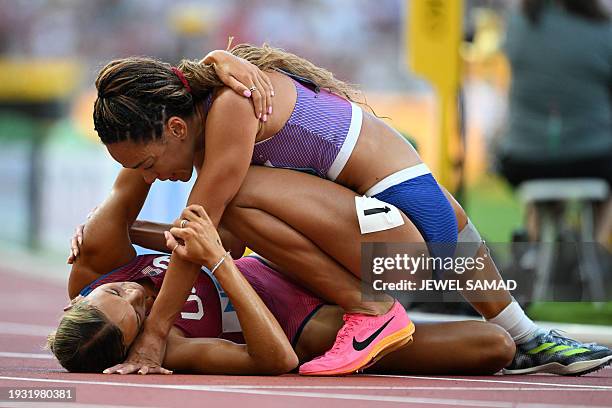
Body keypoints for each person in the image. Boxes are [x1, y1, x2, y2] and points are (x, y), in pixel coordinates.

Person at [76, 42, 612, 376]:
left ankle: (371, 314)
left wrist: (153, 335)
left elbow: (205, 229)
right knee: (219, 213)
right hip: (406, 233)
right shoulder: (224, 104)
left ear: (174, 128)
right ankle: (526, 335)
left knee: (220, 206)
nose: (146, 177)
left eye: (146, 163)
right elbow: (228, 246)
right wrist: (150, 235)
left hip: (398, 238)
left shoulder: (230, 110)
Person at [52, 166, 517, 375]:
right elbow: (278, 360)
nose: (137, 293)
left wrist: (140, 228)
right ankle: (392, 311)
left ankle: (510, 315)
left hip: (289, 261)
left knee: (230, 200)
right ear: (130, 349)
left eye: (116, 294)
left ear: (82, 296)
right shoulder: (166, 349)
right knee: (494, 347)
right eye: (137, 313)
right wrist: (216, 261)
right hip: (308, 326)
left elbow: (141, 159)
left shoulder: (97, 260)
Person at [497, 0, 612, 245]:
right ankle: (597, 250)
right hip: (593, 158)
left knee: (542, 181)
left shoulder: (518, 24)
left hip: (524, 159)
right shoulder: (604, 30)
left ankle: (536, 246)